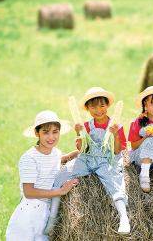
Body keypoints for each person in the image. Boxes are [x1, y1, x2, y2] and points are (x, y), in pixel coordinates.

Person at [44, 87, 130, 235]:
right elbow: (83, 150)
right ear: (88, 109)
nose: (98, 110)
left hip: (106, 160)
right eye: (93, 107)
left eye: (102, 106)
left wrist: (115, 135)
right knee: (61, 175)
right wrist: (80, 134)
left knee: (114, 182)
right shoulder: (86, 126)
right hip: (88, 158)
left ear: (108, 106)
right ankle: (53, 217)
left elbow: (117, 151)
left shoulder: (116, 125)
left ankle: (124, 218)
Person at [5, 110, 79, 241]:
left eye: (55, 131)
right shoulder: (29, 158)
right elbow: (29, 192)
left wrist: (72, 155)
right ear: (36, 133)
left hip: (45, 215)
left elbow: (55, 161)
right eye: (45, 132)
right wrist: (61, 191)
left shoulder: (55, 153)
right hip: (28, 214)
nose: (51, 137)